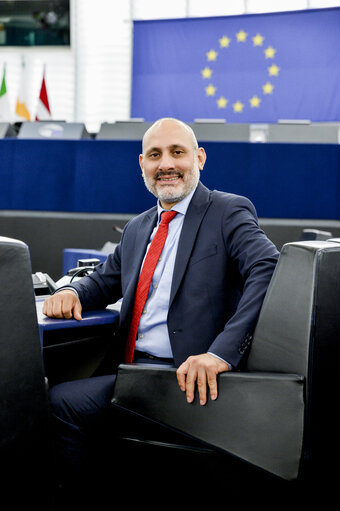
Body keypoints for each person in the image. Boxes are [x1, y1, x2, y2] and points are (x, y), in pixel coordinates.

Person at [44, 117, 279, 492]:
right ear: (142, 165)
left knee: (62, 403)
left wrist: (221, 353)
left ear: (199, 158)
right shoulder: (139, 227)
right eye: (155, 155)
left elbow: (268, 269)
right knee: (48, 386)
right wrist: (72, 292)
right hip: (134, 373)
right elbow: (105, 279)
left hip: (186, 377)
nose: (165, 164)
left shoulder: (228, 211)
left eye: (177, 152)